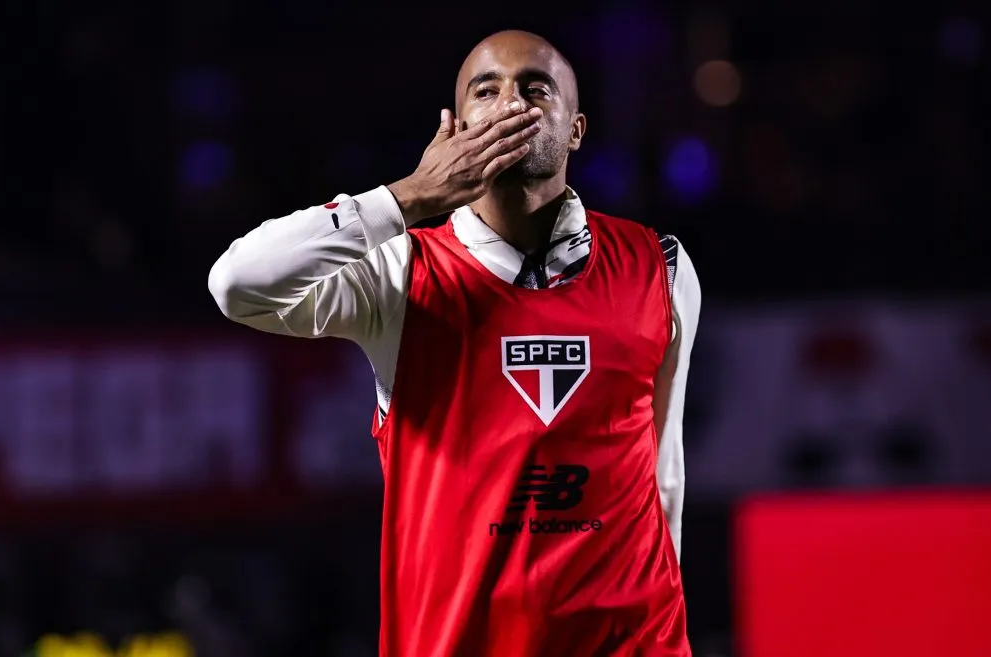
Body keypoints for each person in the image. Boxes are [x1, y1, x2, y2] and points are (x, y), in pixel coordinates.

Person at [209, 29, 700, 657]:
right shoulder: (400, 273)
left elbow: (665, 476)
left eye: (535, 88)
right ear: (457, 126)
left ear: (574, 129)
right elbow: (236, 283)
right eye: (486, 90)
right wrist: (410, 196)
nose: (509, 103)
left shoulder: (658, 264)